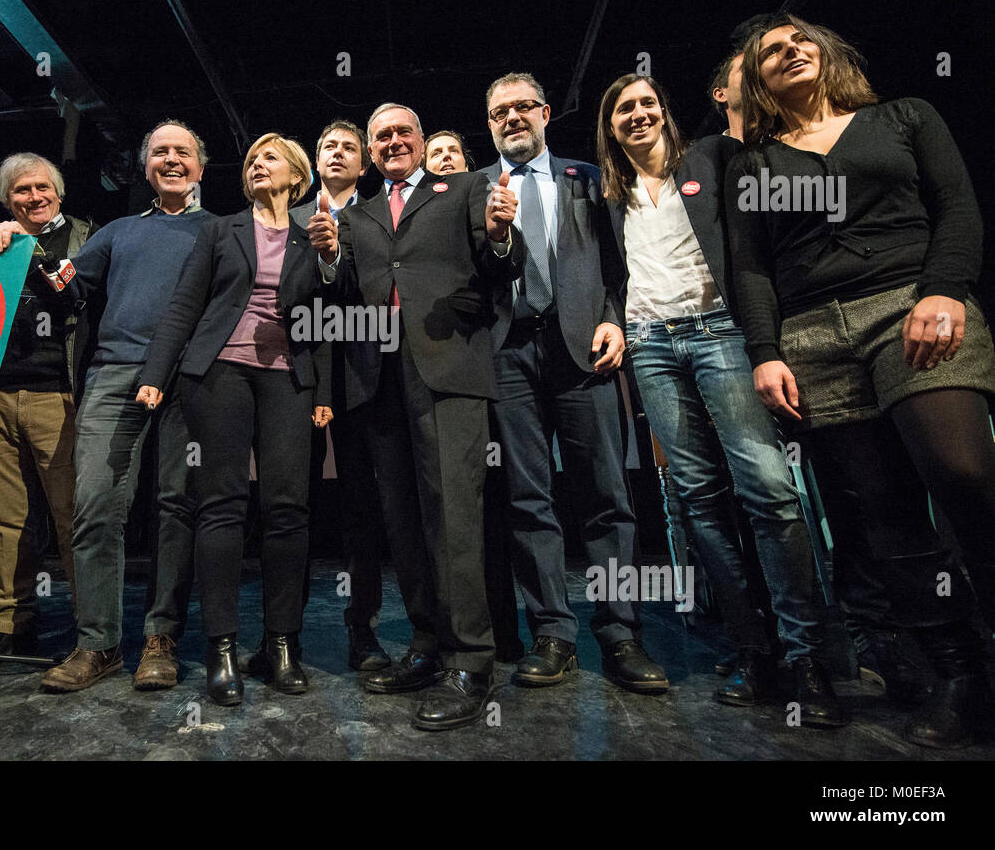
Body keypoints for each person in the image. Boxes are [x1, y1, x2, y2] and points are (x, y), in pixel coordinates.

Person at [726, 13, 995, 748]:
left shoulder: (905, 118)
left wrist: (943, 288)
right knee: (886, 517)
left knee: (961, 471)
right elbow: (749, 266)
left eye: (800, 39)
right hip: (811, 337)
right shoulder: (752, 165)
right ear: (754, 79)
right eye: (771, 50)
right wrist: (764, 351)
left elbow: (958, 209)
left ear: (827, 52)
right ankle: (962, 677)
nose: (790, 49)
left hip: (912, 306)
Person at [597, 74, 841, 723]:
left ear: (666, 111)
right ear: (611, 126)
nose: (639, 113)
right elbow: (604, 274)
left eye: (648, 101)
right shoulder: (608, 195)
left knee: (767, 487)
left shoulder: (709, 157)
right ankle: (755, 652)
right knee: (699, 500)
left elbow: (755, 143)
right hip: (651, 347)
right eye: (625, 108)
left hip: (721, 334)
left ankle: (810, 659)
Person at [308, 102, 523, 730]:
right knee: (402, 518)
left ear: (422, 140)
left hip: (448, 368)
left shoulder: (466, 189)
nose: (393, 142)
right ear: (372, 152)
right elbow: (342, 292)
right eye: (382, 137)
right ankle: (427, 646)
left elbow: (502, 265)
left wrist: (505, 233)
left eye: (404, 132)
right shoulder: (361, 214)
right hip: (379, 379)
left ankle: (471, 660)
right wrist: (327, 259)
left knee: (455, 514)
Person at [0, 120, 213, 693]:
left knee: (175, 510)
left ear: (201, 167)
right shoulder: (115, 232)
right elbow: (65, 290)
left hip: (191, 378)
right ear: (145, 167)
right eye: (159, 151)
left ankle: (161, 640)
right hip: (114, 376)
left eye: (181, 152)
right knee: (93, 509)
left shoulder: (221, 230)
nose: (170, 160)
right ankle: (98, 644)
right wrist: (15, 242)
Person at [477, 72, 668, 694]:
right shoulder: (472, 189)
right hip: (508, 354)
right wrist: (496, 236)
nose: (512, 118)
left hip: (585, 348)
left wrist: (617, 323)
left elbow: (622, 264)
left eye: (522, 107)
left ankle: (621, 636)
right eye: (499, 112)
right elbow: (470, 277)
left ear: (545, 112)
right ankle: (553, 635)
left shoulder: (589, 178)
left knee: (607, 495)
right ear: (490, 125)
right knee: (528, 500)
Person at [136, 133, 332, 706]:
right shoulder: (218, 230)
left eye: (268, 158)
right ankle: (220, 648)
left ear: (297, 175)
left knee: (288, 508)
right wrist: (155, 372)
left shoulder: (313, 234)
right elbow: (184, 305)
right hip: (218, 371)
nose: (255, 166)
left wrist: (318, 385)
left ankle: (281, 646)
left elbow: (326, 312)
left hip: (288, 378)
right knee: (220, 505)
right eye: (250, 160)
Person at [0, 153, 95, 655]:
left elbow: (86, 296)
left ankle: (92, 624)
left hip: (59, 396)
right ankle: (9, 619)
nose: (34, 197)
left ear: (59, 195)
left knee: (74, 514)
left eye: (43, 188)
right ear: (8, 200)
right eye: (22, 190)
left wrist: (39, 256)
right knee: (3, 517)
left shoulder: (86, 236)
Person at [286, 119, 390, 671]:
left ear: (364, 162)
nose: (339, 153)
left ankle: (363, 631)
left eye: (350, 147)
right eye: (329, 145)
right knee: (291, 504)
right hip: (296, 377)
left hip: (361, 375)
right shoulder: (288, 217)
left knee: (360, 506)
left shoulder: (379, 218)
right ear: (315, 156)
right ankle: (285, 634)